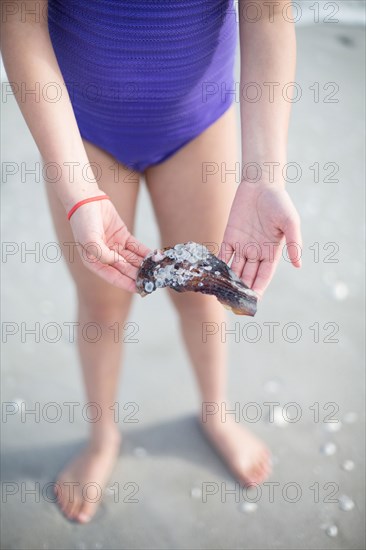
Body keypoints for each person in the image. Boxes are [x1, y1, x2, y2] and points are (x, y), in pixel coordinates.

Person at [1, 0, 302, 523]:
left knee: (206, 295)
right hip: (83, 137)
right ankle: (102, 436)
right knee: (102, 303)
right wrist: (78, 192)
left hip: (197, 127)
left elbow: (270, 13)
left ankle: (216, 411)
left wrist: (264, 175)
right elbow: (17, 19)